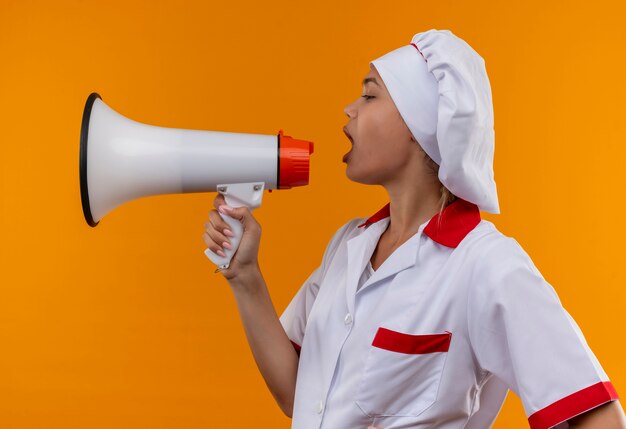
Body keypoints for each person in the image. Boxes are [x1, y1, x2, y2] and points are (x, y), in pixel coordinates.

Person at [202, 29, 626, 429]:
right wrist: (246, 277)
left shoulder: (485, 265)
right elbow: (299, 397)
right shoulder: (349, 244)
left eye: (370, 95)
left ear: (420, 125)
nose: (350, 108)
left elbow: (598, 416)